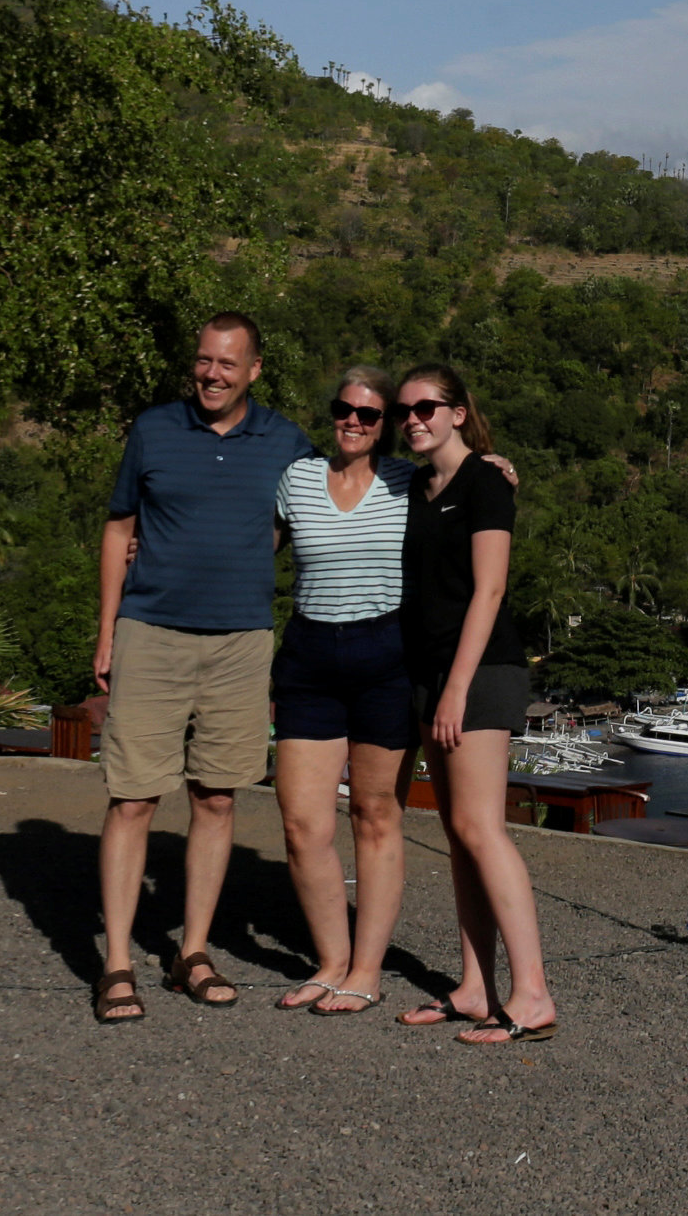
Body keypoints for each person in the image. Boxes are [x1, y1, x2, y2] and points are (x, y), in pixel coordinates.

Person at [92, 312, 316, 1022]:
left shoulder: (286, 441)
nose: (211, 375)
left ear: (254, 370)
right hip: (150, 633)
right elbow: (119, 528)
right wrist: (106, 632)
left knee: (216, 796)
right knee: (133, 798)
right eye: (203, 361)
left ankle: (191, 952)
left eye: (227, 363)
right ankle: (117, 963)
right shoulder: (154, 429)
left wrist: (479, 463)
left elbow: (346, 487)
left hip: (240, 642)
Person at [392, 361, 559, 1044]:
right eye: (404, 410)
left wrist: (456, 687)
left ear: (457, 412)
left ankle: (533, 995)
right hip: (429, 672)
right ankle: (474, 986)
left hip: (480, 673)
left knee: (482, 828)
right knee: (458, 834)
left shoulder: (485, 482)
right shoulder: (414, 486)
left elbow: (489, 590)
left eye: (426, 407)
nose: (413, 419)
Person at [266, 364, 419, 1015]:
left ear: (386, 424)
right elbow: (253, 551)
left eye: (367, 413)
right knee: (302, 822)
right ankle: (330, 962)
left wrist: (496, 468)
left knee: (374, 815)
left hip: (387, 656)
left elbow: (466, 498)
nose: (352, 422)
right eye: (343, 409)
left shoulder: (410, 482)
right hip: (309, 658)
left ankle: (366, 969)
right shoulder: (297, 478)